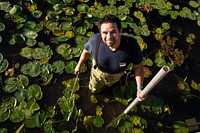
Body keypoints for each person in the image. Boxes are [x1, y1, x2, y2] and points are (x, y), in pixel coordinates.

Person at [74, 14, 145, 101]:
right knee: (94, 90)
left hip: (117, 75)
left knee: (115, 85)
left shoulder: (131, 46)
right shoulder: (95, 41)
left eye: (113, 32)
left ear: (120, 31)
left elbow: (138, 67)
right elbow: (86, 51)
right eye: (104, 33)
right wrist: (79, 65)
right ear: (100, 33)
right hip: (98, 74)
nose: (109, 37)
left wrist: (139, 88)